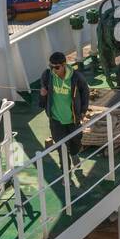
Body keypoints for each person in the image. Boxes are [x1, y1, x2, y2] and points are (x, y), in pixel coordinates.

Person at [39, 51, 90, 183]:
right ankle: (66, 175)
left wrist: (83, 111)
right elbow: (42, 99)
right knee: (62, 147)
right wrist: (43, 94)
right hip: (56, 119)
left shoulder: (76, 77)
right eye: (51, 67)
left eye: (57, 67)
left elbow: (85, 92)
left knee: (76, 142)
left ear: (64, 65)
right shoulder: (47, 76)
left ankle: (74, 154)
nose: (54, 70)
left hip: (73, 118)